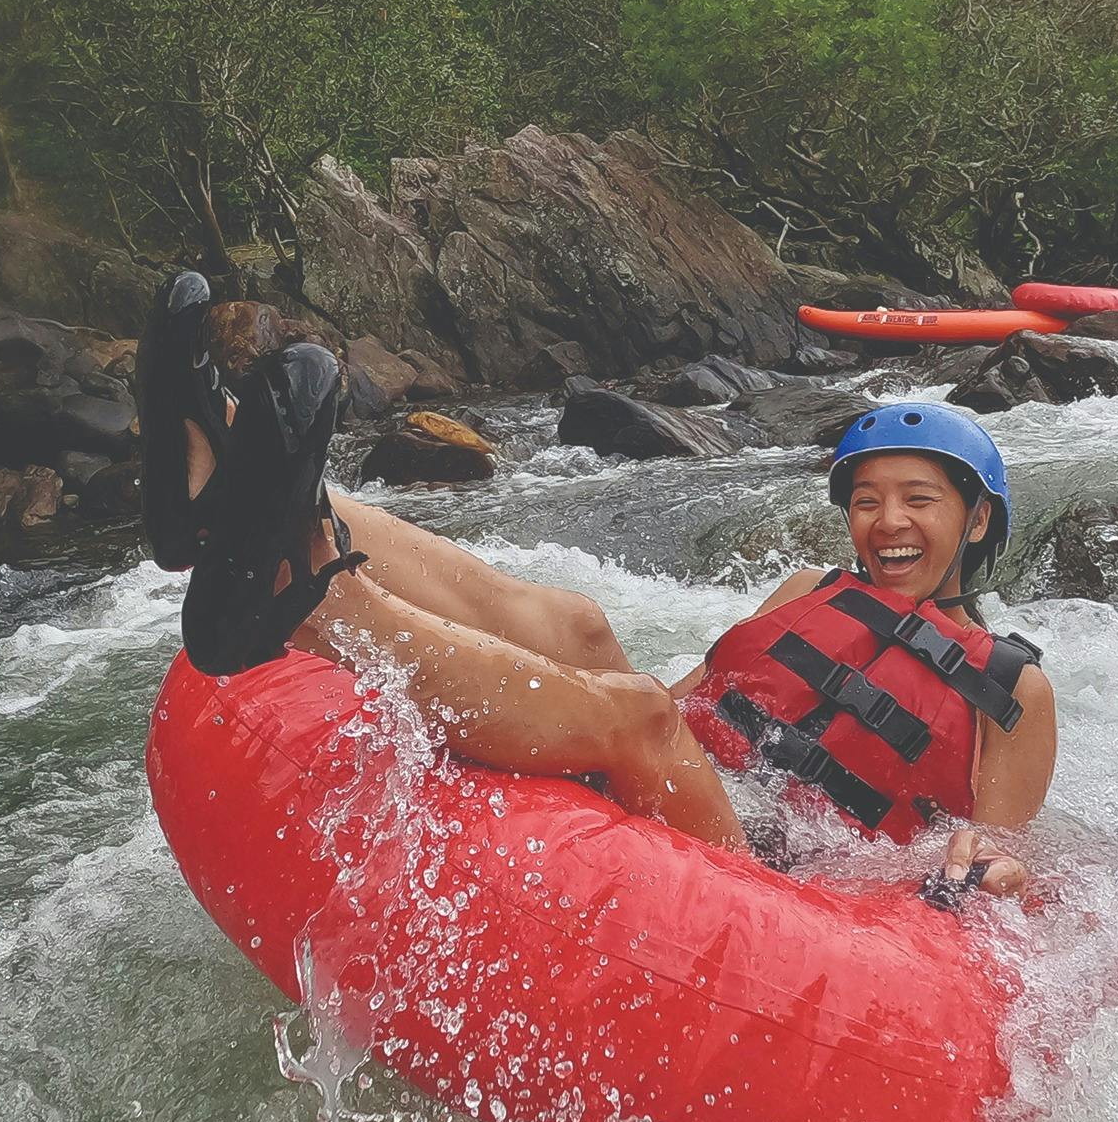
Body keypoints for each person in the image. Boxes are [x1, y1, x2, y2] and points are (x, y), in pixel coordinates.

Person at [139, 274, 1056, 895]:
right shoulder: (806, 590)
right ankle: (241, 488)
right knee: (580, 626)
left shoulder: (1012, 687)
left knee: (636, 718)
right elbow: (689, 701)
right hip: (713, 795)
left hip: (787, 882)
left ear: (976, 521)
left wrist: (998, 868)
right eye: (868, 500)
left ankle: (318, 595)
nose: (888, 523)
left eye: (919, 501)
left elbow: (1003, 853)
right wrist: (588, 696)